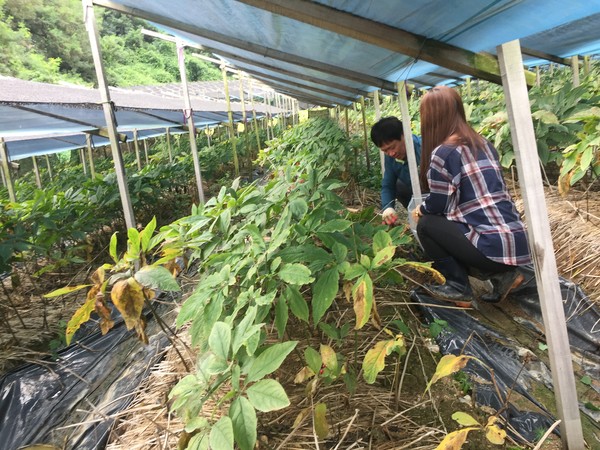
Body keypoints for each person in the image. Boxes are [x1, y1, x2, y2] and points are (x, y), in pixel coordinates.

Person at [412, 86, 531, 307]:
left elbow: (438, 205)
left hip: (492, 246)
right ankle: (505, 277)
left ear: (430, 118)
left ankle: (458, 286)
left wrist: (421, 209)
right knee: (457, 225)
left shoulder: (444, 152)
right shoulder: (483, 143)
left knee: (427, 224)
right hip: (516, 242)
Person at [370, 117, 422, 226]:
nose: (391, 153)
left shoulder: (424, 148)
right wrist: (387, 208)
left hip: (434, 194)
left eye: (392, 147)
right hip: (415, 193)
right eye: (385, 150)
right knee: (398, 186)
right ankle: (416, 215)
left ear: (404, 135)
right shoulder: (391, 157)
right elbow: (388, 184)